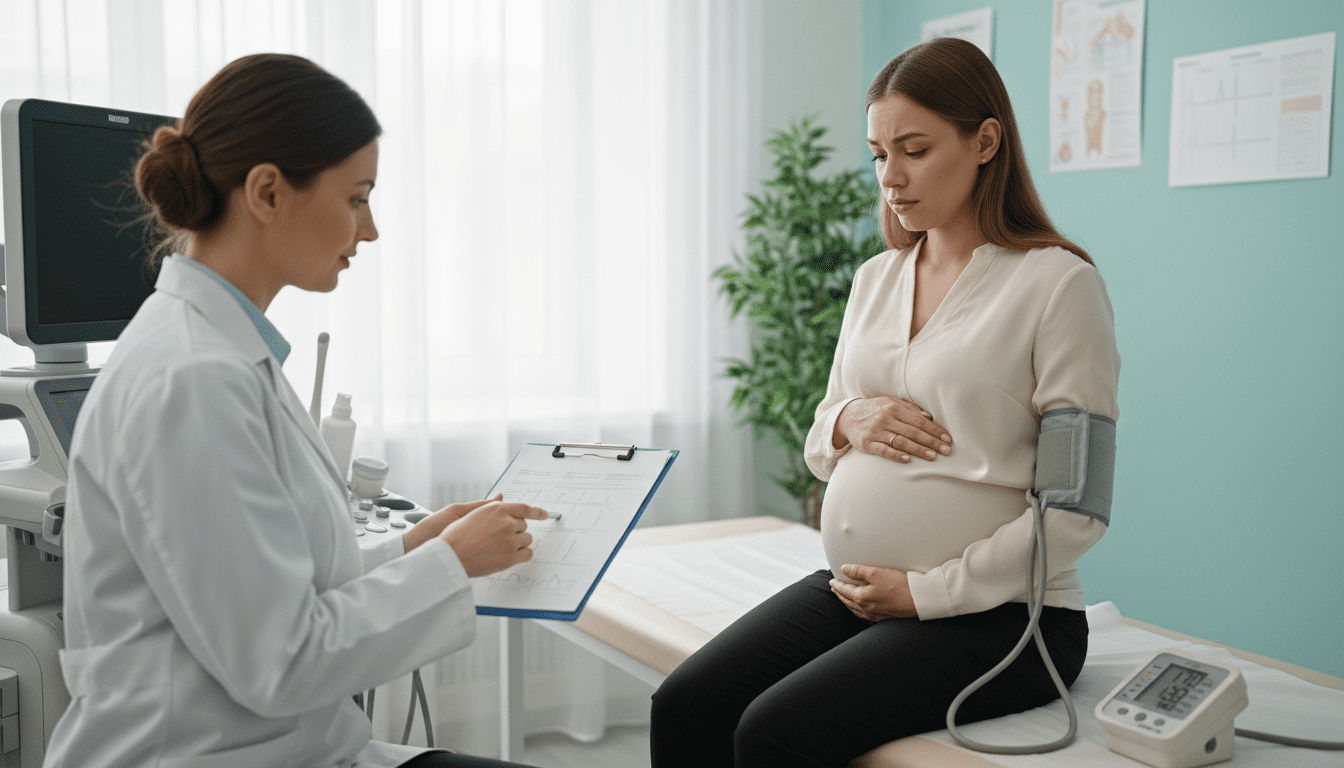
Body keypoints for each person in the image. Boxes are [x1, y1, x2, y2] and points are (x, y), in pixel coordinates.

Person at [44, 54, 548, 768]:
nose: (368, 230)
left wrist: (411, 548)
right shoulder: (192, 379)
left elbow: (276, 585)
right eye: (355, 198)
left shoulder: (226, 351)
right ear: (269, 192)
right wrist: (449, 564)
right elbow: (279, 661)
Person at [650, 37, 1120, 767]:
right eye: (877, 154)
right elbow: (819, 438)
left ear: (985, 141)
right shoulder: (878, 278)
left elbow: (1076, 505)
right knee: (684, 706)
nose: (890, 177)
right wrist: (846, 418)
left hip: (1009, 620)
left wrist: (926, 594)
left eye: (914, 150)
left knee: (772, 732)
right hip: (861, 591)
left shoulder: (1057, 286)